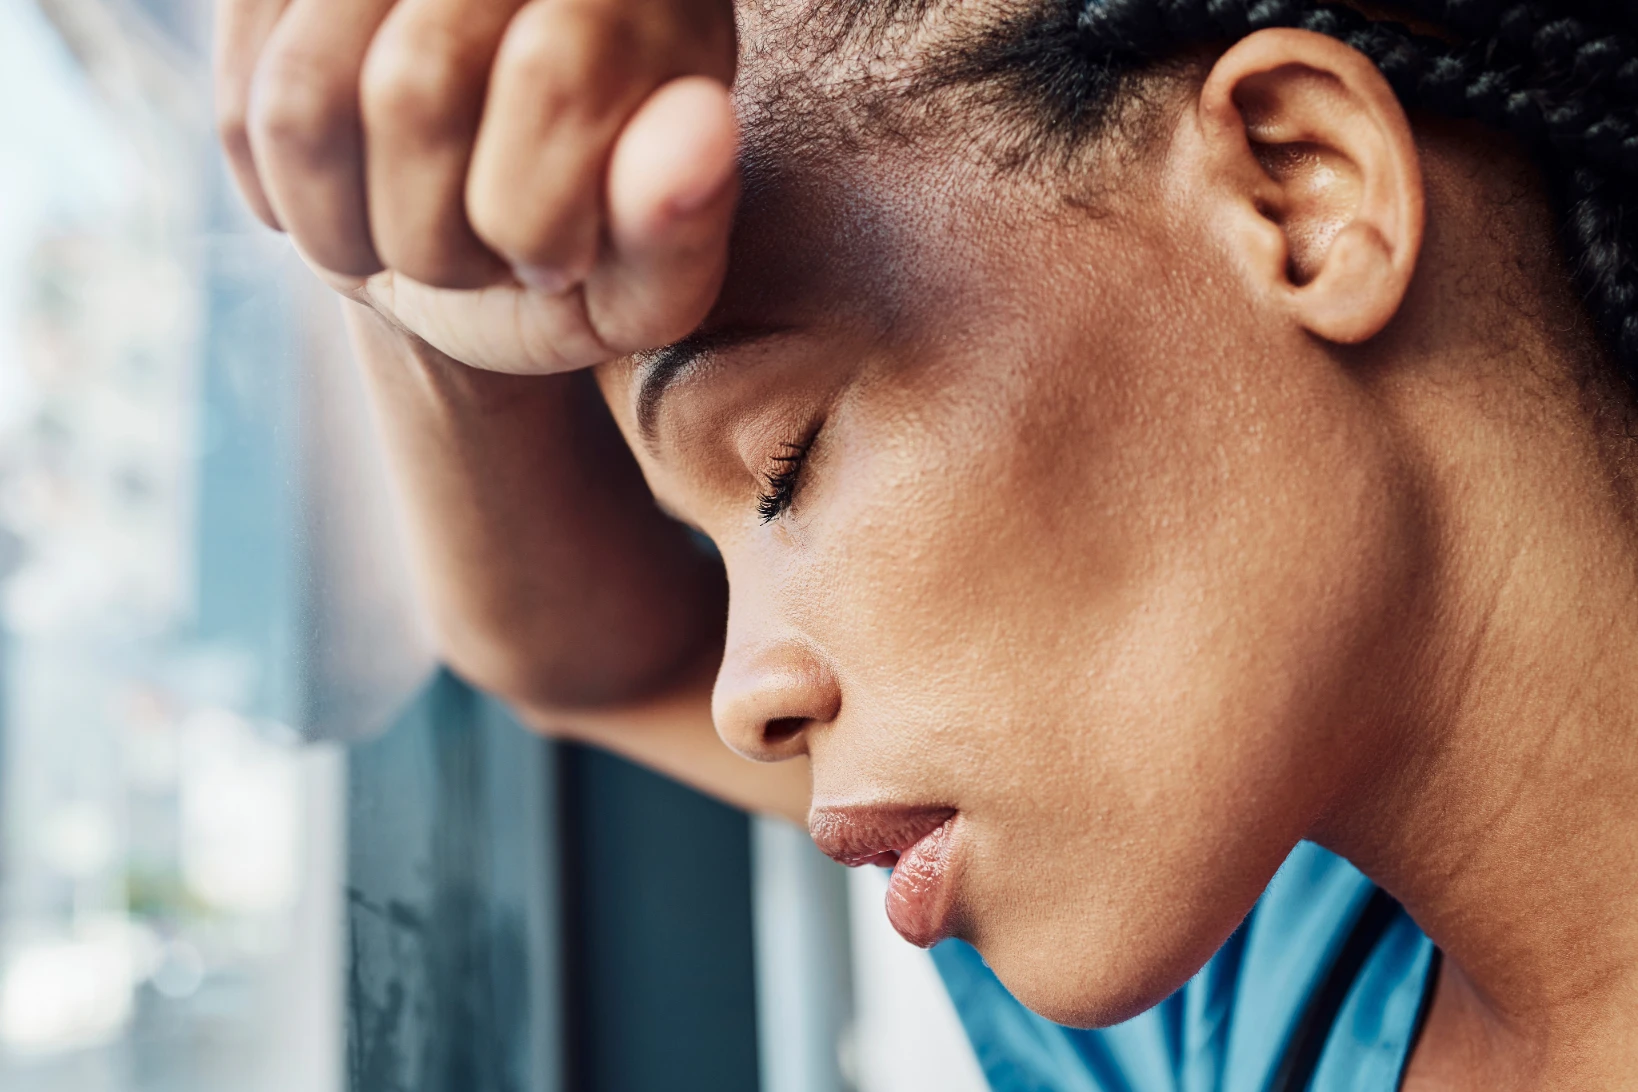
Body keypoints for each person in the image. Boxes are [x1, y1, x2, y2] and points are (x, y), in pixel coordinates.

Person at [214, 0, 1638, 1086]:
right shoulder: (1278, 1001)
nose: (741, 698)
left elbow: (584, 664)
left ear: (1297, 191)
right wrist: (401, 269)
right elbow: (572, 657)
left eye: (783, 465)